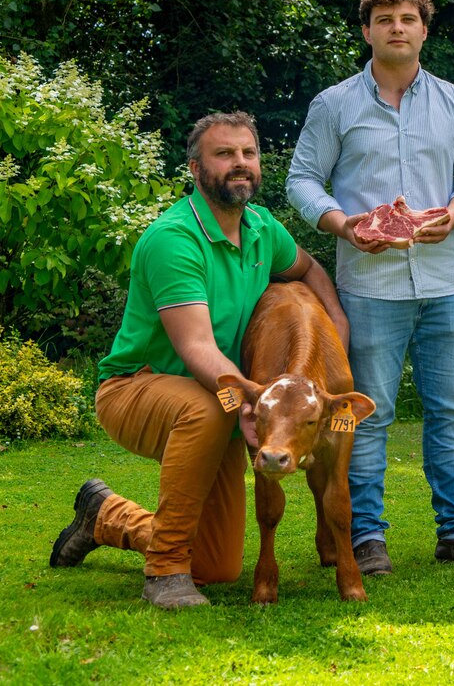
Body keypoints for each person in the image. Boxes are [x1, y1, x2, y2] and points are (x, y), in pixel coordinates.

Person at [49, 111, 349, 608]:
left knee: (217, 565)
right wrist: (251, 401)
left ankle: (104, 516)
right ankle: (165, 571)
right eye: (224, 154)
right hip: (139, 386)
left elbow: (308, 267)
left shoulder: (261, 228)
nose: (240, 163)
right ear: (195, 168)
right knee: (210, 407)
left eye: (248, 153)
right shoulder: (174, 239)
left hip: (219, 397)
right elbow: (197, 349)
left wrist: (337, 327)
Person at [287, 0, 454, 574]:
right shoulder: (334, 104)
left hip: (447, 283)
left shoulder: (453, 101)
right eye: (385, 19)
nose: (397, 28)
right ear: (367, 31)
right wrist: (344, 225)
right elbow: (301, 180)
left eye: (408, 19)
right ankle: (366, 536)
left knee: (453, 412)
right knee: (368, 415)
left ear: (423, 29)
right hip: (369, 287)